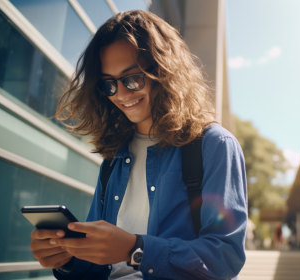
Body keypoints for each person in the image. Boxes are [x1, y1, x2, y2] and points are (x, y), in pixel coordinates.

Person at [28, 10, 248, 280]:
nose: (120, 94)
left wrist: (136, 249)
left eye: (132, 78)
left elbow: (226, 256)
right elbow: (98, 266)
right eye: (108, 84)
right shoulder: (114, 159)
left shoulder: (214, 145)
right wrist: (66, 259)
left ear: (165, 72)